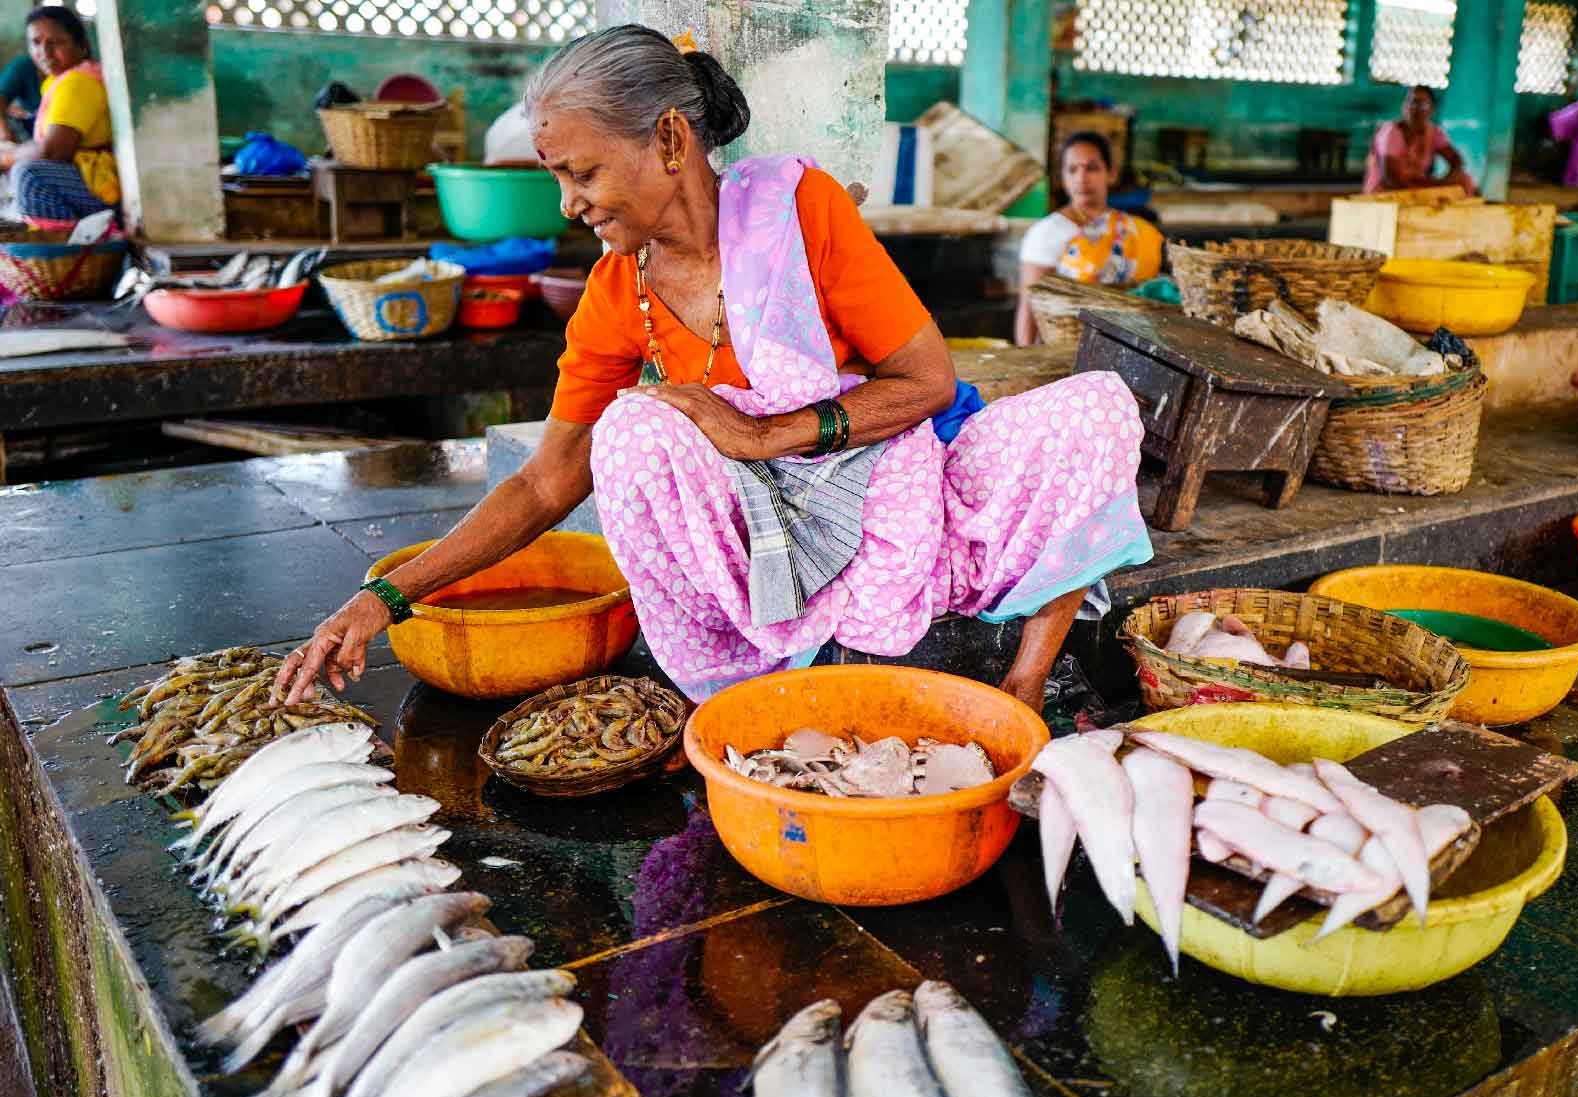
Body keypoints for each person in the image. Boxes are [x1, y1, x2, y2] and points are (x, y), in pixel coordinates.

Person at [276, 25, 1152, 711]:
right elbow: (547, 484)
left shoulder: (797, 209)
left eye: (580, 171)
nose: (567, 202)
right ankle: (743, 680)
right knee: (632, 430)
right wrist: (385, 596)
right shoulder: (620, 292)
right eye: (556, 177)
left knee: (1097, 411)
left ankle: (1026, 684)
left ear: (667, 139)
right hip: (761, 537)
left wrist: (769, 432)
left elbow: (922, 383)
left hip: (891, 491)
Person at [1012, 131, 1163, 345]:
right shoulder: (1047, 233)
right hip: (1067, 348)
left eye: (1091, 168)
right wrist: (1027, 359)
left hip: (1133, 344)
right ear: (1063, 177)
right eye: (1072, 169)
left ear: (1110, 173)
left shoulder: (1138, 231)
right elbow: (1029, 306)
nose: (1081, 178)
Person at [0, 7, 117, 231]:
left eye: (56, 42)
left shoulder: (78, 82)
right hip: (88, 185)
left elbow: (53, 152)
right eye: (36, 42)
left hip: (102, 189)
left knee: (30, 174)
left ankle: (68, 255)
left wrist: (7, 157)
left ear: (82, 46)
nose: (44, 52)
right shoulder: (60, 81)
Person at [1363, 85, 1476, 197]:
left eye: (1421, 104)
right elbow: (1390, 178)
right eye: (1410, 102)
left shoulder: (1434, 133)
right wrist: (1432, 188)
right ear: (1404, 106)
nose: (1413, 108)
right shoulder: (1391, 131)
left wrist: (1446, 181)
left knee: (1465, 180)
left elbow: (1456, 161)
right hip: (1388, 190)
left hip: (1417, 186)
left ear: (1432, 109)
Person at [0, 53, 40, 144]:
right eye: (36, 43)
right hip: (29, 129)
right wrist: (4, 130)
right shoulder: (25, 65)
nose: (45, 51)